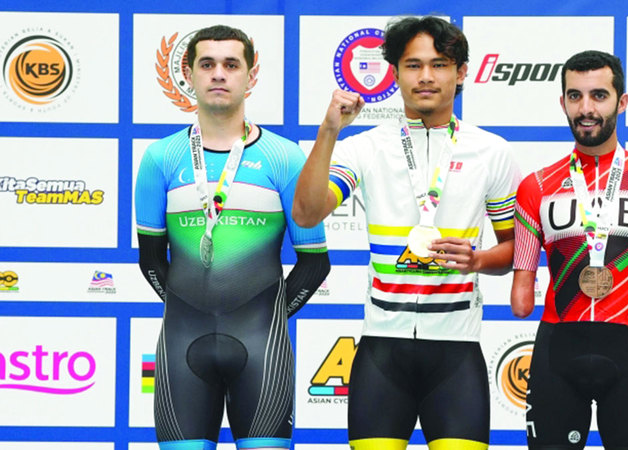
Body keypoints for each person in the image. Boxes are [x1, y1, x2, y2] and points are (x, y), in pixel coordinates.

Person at [293, 16, 520, 450]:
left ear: (461, 73)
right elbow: (305, 215)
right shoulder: (364, 147)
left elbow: (515, 251)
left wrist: (477, 260)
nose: (426, 77)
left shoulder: (492, 152)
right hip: (382, 351)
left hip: (457, 350)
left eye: (440, 65)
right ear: (395, 73)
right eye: (413, 65)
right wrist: (329, 131)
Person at [135, 25, 329, 450]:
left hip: (262, 350)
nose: (219, 74)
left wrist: (268, 314)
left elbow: (315, 263)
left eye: (231, 64)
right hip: (181, 345)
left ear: (250, 75)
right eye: (207, 64)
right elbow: (150, 260)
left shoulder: (285, 157)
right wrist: (188, 305)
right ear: (188, 74)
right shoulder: (160, 158)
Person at [510, 50, 628, 449]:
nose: (586, 109)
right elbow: (521, 303)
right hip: (557, 353)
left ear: (622, 102)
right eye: (575, 96)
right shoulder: (535, 187)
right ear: (562, 103)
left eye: (599, 95)